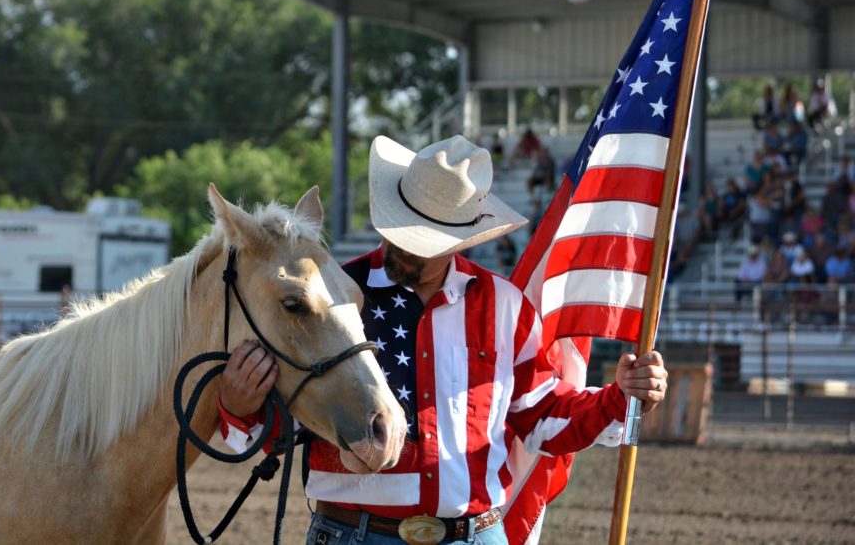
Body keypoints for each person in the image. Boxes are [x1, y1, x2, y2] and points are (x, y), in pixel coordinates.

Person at [217, 135, 668, 545]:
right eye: (396, 230)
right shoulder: (329, 295)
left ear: (460, 241)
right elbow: (283, 425)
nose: (401, 248)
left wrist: (619, 398)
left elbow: (542, 417)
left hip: (477, 535)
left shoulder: (504, 306)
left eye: (421, 241)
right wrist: (239, 407)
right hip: (353, 534)